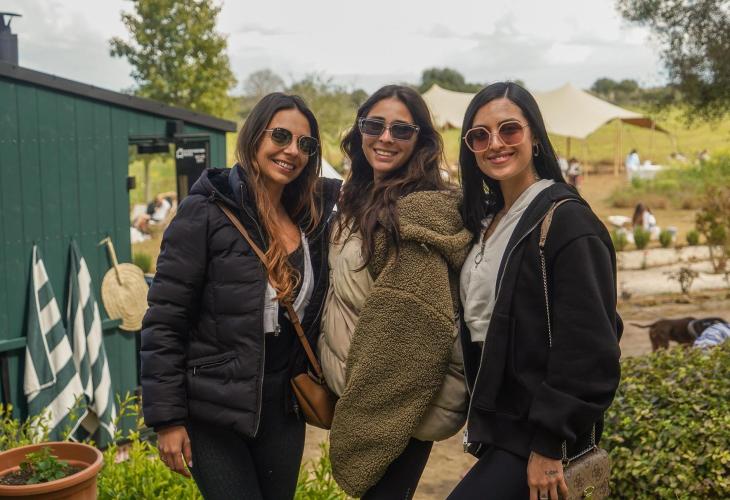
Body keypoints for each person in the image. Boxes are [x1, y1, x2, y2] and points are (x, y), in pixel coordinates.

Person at [140, 93, 342, 499]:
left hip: (283, 408)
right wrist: (168, 419)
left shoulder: (311, 221)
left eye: (305, 144)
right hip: (213, 410)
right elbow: (165, 319)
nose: (292, 151)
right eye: (280, 136)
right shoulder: (205, 211)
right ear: (254, 137)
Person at [448, 82, 622, 500]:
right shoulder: (487, 221)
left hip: (537, 433)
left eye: (509, 129)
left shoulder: (567, 223)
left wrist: (549, 443)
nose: (495, 144)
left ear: (536, 138)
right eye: (480, 135)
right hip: (500, 427)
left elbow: (590, 347)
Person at [319, 85, 472, 499]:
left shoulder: (418, 213)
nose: (385, 137)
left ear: (420, 140)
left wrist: (366, 424)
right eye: (374, 125)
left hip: (395, 405)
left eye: (401, 130)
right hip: (367, 391)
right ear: (360, 131)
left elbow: (409, 337)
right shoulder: (358, 197)